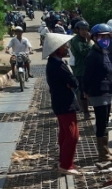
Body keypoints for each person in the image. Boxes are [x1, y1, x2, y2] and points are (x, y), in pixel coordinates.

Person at [43, 33, 81, 175]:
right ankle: (66, 166)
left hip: (59, 102)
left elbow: (70, 83)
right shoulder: (59, 65)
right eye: (64, 46)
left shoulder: (53, 63)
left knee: (65, 133)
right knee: (72, 135)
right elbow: (74, 82)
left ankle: (65, 161)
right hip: (65, 103)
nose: (66, 48)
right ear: (57, 50)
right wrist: (70, 83)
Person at [83, 23, 112, 162]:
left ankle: (106, 150)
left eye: (107, 36)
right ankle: (102, 154)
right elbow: (87, 75)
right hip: (98, 93)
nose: (105, 39)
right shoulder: (92, 55)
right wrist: (86, 92)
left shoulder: (104, 52)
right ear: (95, 38)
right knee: (100, 123)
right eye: (102, 36)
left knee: (104, 121)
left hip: (106, 92)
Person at [69, 20, 92, 119]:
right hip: (81, 69)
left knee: (88, 90)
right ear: (77, 30)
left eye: (86, 29)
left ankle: (87, 109)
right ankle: (86, 112)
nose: (84, 31)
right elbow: (84, 52)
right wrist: (89, 41)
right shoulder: (76, 41)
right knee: (83, 91)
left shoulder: (82, 40)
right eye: (82, 29)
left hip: (88, 68)